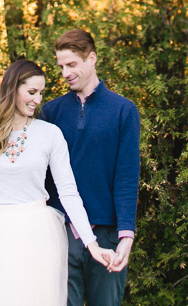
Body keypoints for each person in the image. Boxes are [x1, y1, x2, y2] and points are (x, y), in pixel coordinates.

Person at [0, 59, 114, 306]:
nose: (38, 100)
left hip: (37, 235)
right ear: (12, 89)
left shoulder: (49, 134)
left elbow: (69, 194)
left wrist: (93, 246)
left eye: (40, 93)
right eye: (32, 92)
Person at [42, 29, 141, 306]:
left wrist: (126, 236)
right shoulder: (51, 113)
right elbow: (44, 179)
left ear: (92, 58)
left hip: (107, 233)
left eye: (71, 64)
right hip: (62, 232)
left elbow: (126, 177)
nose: (65, 73)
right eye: (61, 66)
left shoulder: (123, 110)